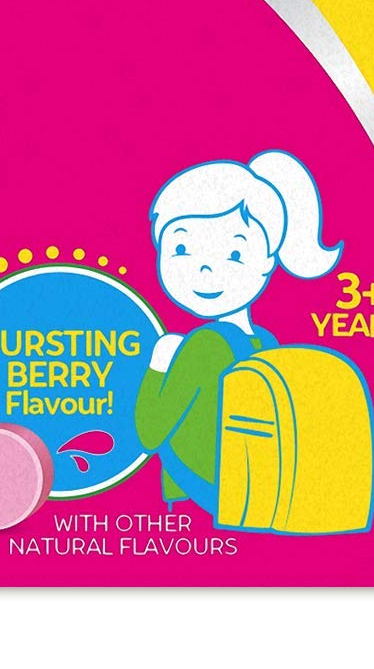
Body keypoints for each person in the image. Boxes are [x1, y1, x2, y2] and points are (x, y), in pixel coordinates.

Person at [134, 151, 341, 512]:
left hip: (207, 494)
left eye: (232, 254)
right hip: (259, 491)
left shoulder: (204, 346)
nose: (204, 270)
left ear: (267, 262)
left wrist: (160, 362)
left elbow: (149, 434)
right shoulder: (266, 342)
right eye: (182, 248)